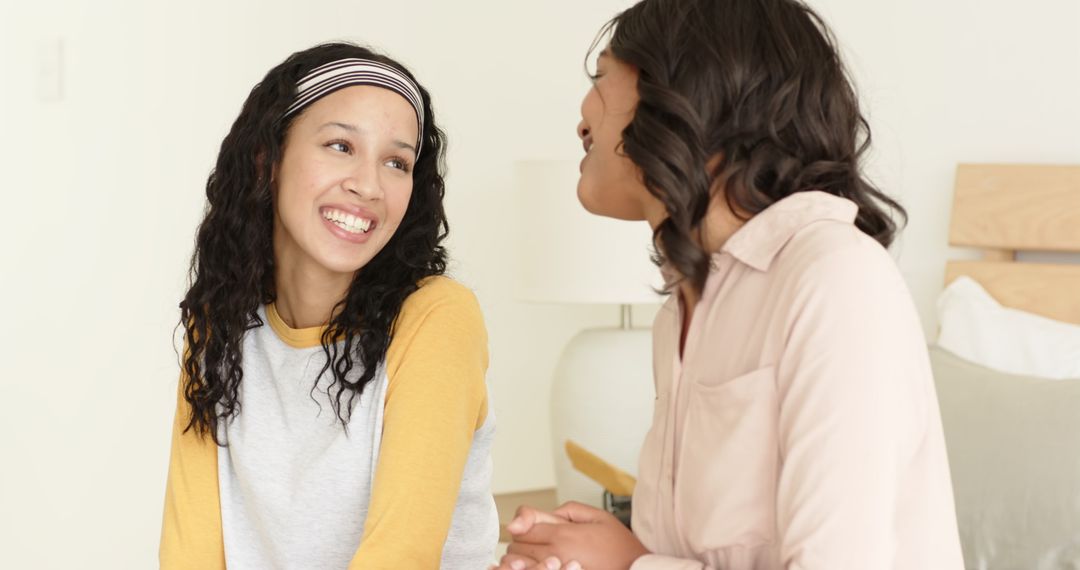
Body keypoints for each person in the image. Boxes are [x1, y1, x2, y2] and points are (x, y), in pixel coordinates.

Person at [498, 0, 963, 568]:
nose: (582, 113)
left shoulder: (837, 277)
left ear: (682, 93)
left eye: (600, 78)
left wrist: (630, 565)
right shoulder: (683, 310)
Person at [160, 42, 497, 569]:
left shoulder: (436, 319)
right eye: (341, 145)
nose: (368, 185)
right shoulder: (219, 327)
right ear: (267, 159)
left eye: (396, 162)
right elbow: (190, 554)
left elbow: (399, 557)